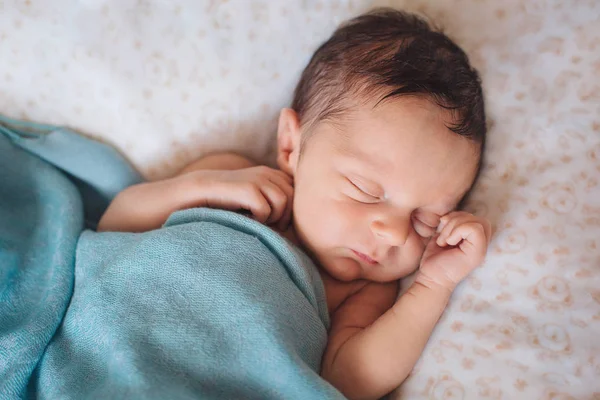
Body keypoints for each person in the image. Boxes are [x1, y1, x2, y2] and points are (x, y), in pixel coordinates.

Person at [98, 8, 491, 400]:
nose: (393, 232)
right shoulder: (228, 179)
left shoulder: (361, 292)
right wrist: (201, 185)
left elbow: (350, 380)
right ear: (292, 145)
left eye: (426, 219)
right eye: (365, 189)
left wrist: (434, 284)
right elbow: (114, 228)